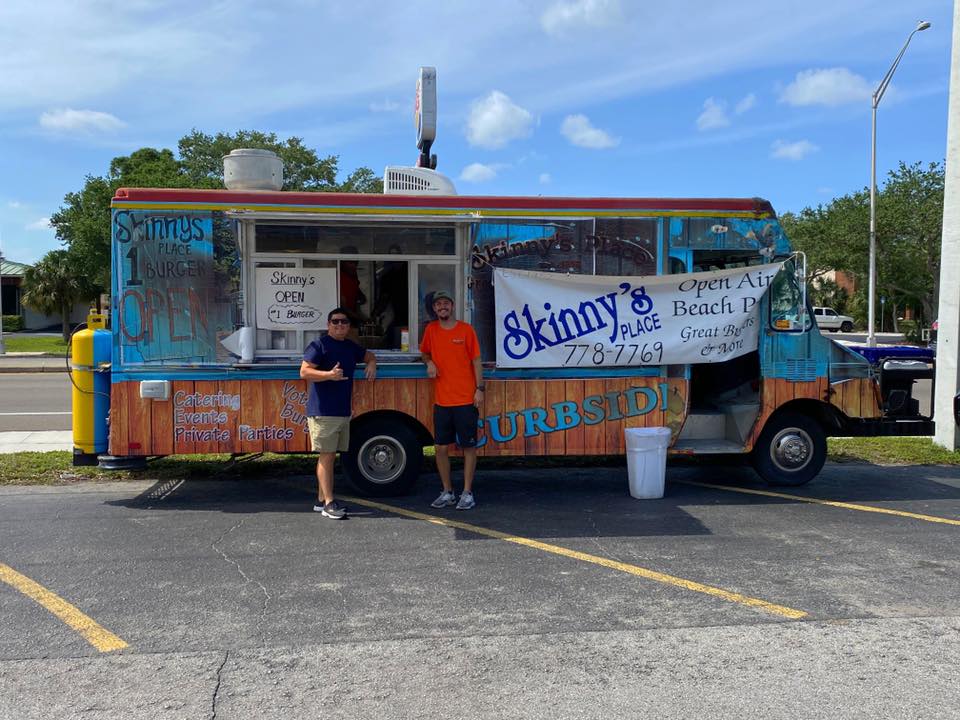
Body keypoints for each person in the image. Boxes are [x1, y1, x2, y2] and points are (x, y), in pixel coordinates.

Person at [300, 307, 377, 519]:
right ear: (328, 325)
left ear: (349, 326)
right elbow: (304, 371)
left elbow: (368, 355)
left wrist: (372, 363)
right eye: (335, 321)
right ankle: (329, 504)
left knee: (330, 456)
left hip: (342, 410)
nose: (340, 325)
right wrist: (329, 375)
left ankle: (320, 500)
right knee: (326, 456)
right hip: (323, 411)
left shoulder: (350, 346)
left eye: (344, 322)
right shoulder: (319, 345)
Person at [419, 290, 484, 510]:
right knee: (440, 448)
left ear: (452, 306)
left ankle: (467, 492)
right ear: (434, 309)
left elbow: (477, 361)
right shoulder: (431, 329)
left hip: (465, 399)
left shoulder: (466, 330)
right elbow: (424, 352)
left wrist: (479, 389)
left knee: (469, 447)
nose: (442, 307)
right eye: (438, 304)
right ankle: (447, 491)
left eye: (446, 303)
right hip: (442, 401)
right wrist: (429, 362)